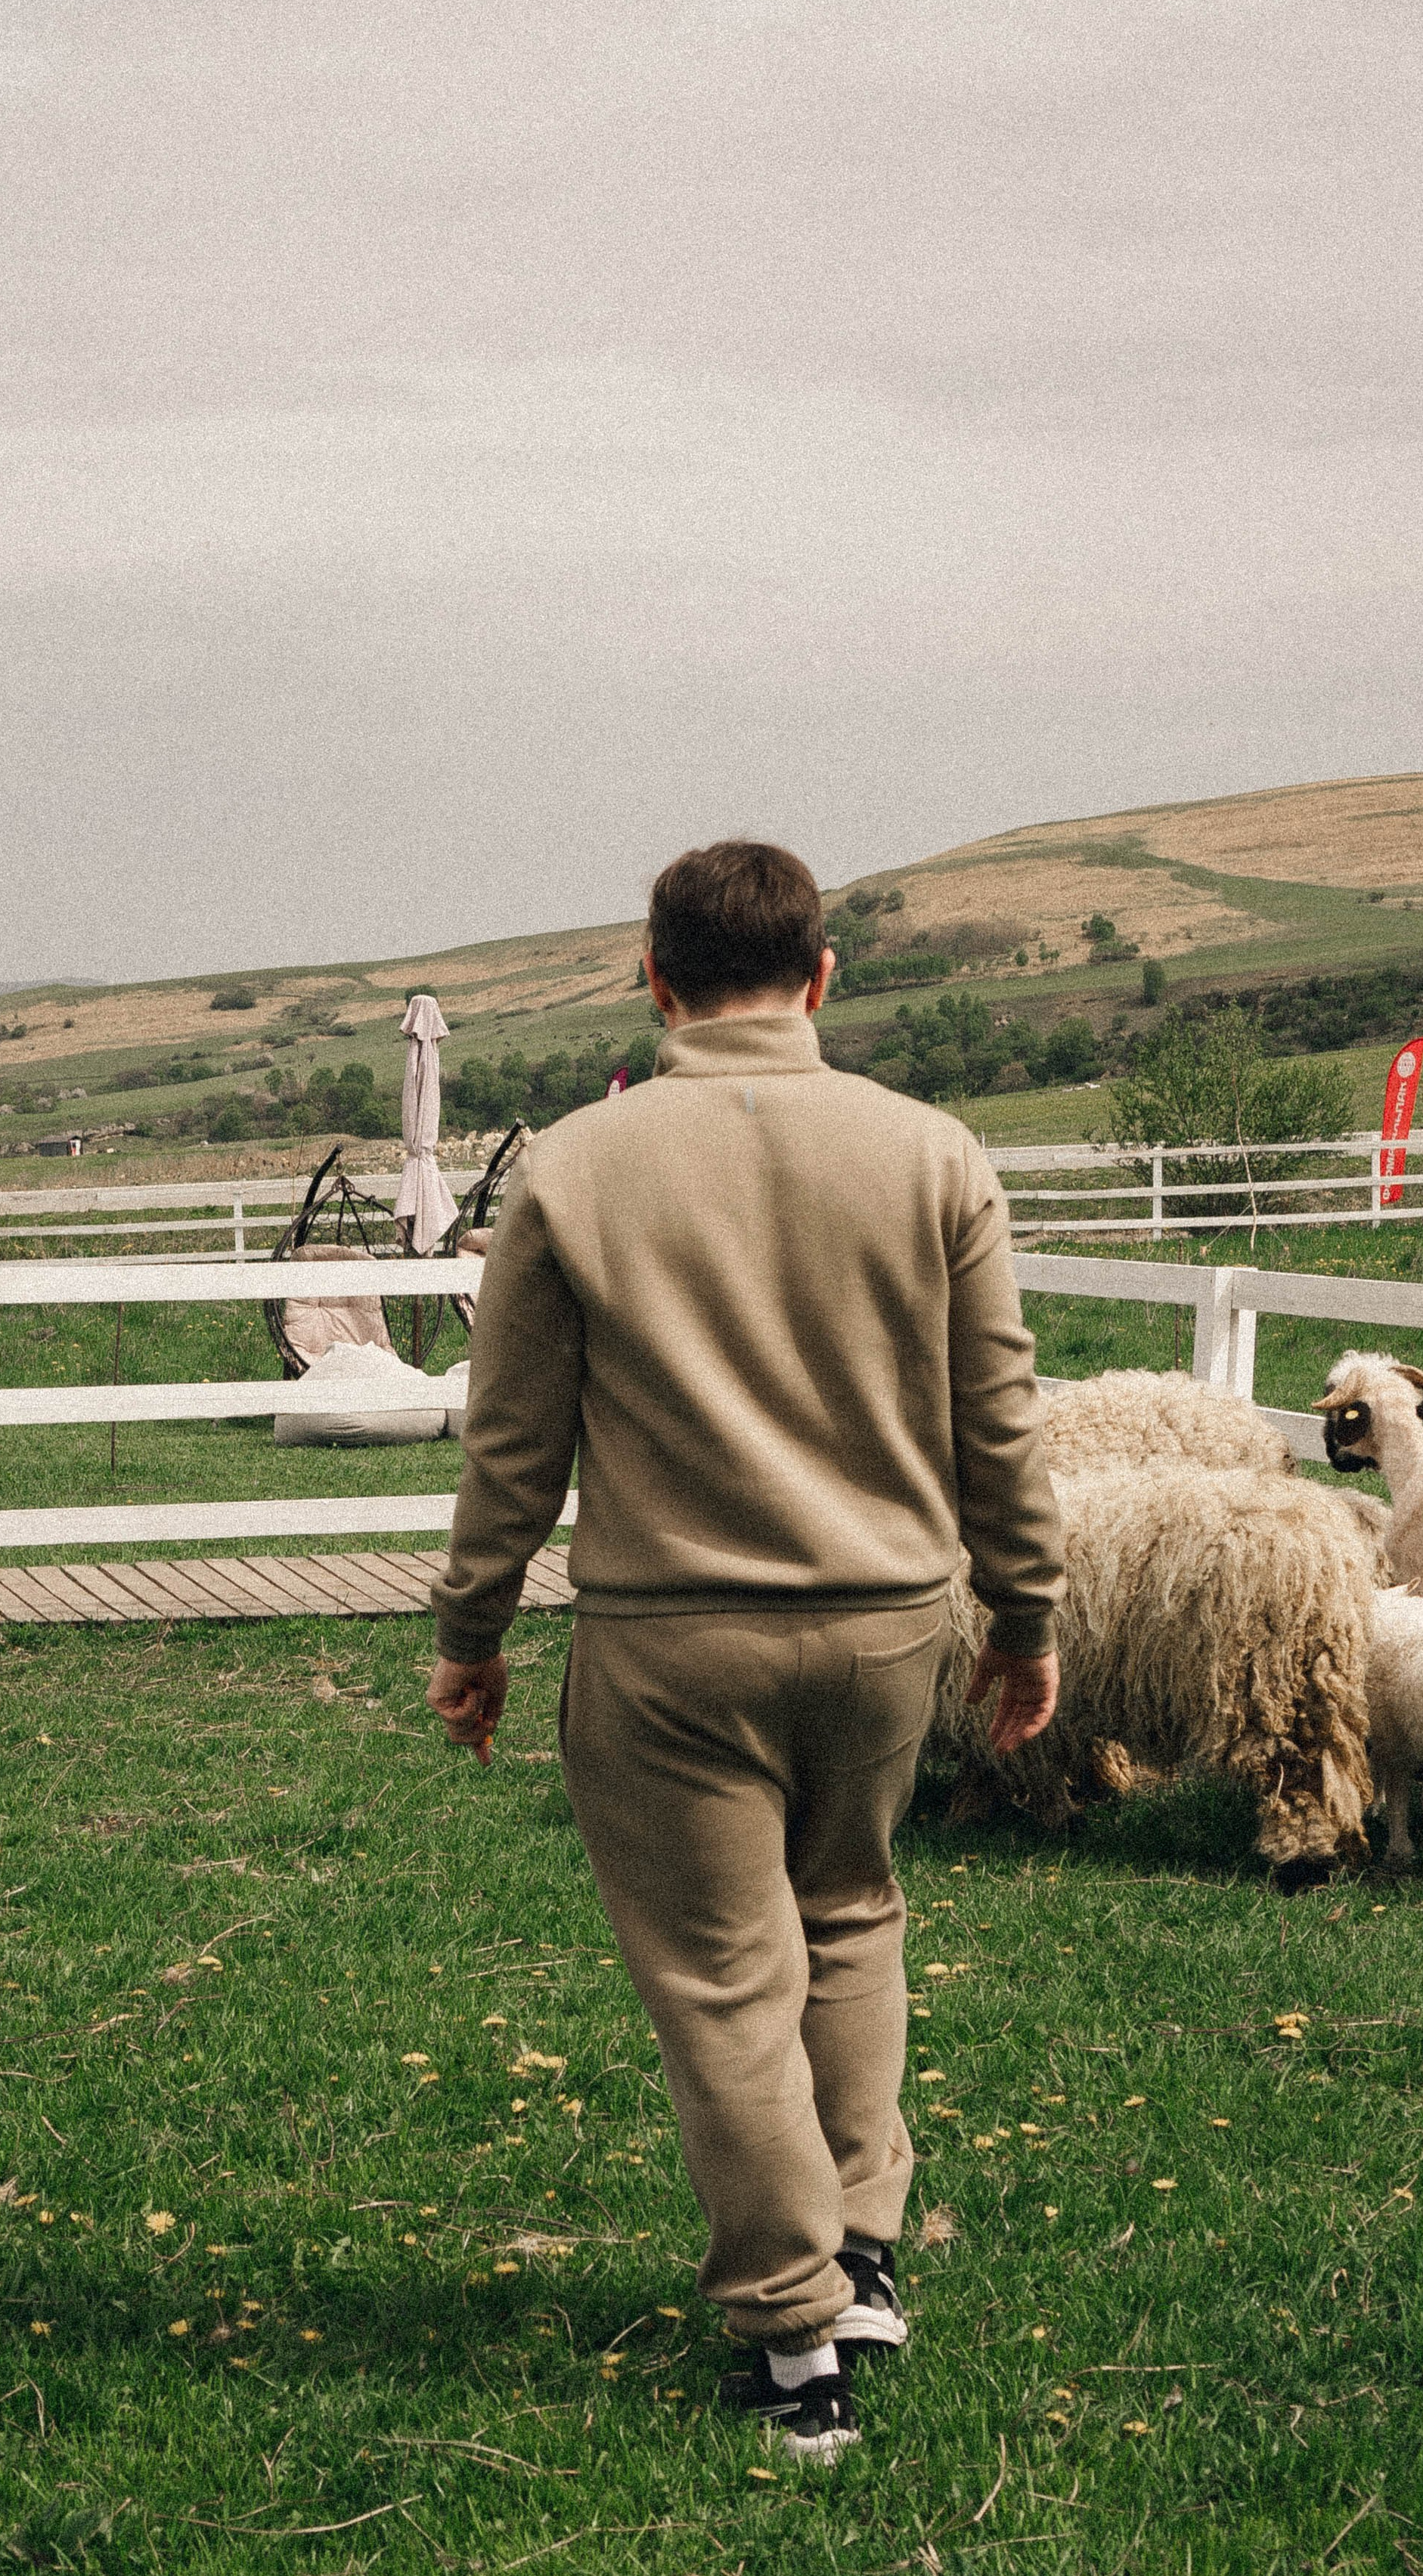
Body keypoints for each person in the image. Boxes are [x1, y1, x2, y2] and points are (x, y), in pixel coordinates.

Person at [426, 841, 1063, 2463]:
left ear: (653, 976)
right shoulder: (933, 1156)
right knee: (847, 1914)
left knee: (721, 1978)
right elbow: (996, 1419)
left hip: (668, 1640)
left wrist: (473, 1632)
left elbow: (513, 1443)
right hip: (882, 1632)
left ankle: (794, 2337)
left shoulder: (572, 1168)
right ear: (822, 975)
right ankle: (855, 2246)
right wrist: (1027, 1611)